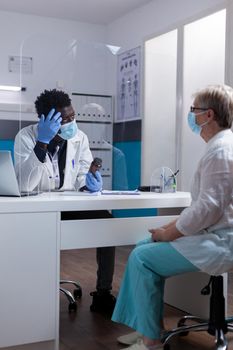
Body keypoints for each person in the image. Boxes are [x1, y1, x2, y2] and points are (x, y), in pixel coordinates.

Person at [111, 84, 233, 349]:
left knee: (142, 258)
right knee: (145, 245)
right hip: (213, 234)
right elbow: (204, 206)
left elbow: (208, 209)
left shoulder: (221, 150)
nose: (192, 116)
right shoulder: (219, 146)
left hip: (221, 243)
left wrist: (170, 233)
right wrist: (169, 226)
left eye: (194, 111)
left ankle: (151, 340)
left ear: (209, 115)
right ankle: (147, 327)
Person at [14, 89, 116, 313]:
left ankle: (103, 293)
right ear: (46, 120)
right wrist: (42, 142)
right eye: (65, 119)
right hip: (37, 211)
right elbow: (24, 184)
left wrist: (88, 183)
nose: (72, 122)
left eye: (73, 116)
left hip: (69, 206)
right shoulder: (26, 137)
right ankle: (29, 294)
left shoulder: (79, 138)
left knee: (108, 223)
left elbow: (81, 174)